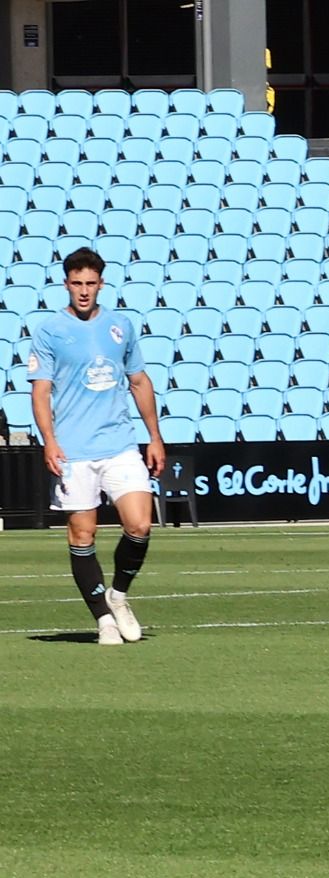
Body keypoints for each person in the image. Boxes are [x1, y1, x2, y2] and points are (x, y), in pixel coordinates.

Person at [29, 247, 165, 646]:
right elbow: (41, 392)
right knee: (82, 535)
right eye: (77, 283)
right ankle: (103, 618)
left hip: (119, 443)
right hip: (73, 449)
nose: (84, 291)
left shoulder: (120, 325)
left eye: (91, 284)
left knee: (139, 524)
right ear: (66, 283)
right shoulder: (50, 330)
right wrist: (49, 441)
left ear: (101, 284)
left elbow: (139, 382)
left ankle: (118, 595)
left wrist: (154, 436)